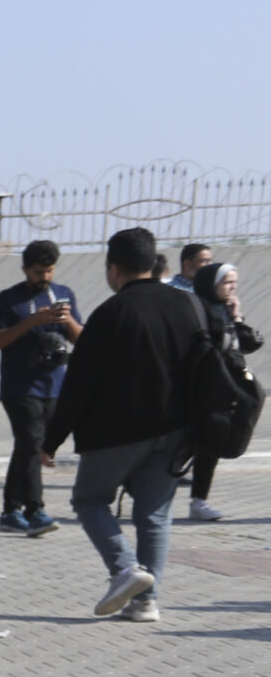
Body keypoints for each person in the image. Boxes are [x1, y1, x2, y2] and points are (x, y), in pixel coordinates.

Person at [45, 227, 207, 625]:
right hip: (177, 431)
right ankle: (146, 602)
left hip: (116, 432)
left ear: (113, 269)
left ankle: (124, 568)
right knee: (154, 515)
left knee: (89, 499)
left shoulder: (111, 313)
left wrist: (50, 440)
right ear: (153, 263)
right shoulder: (190, 306)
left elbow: (79, 385)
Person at [0, 240, 79, 537]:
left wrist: (68, 320)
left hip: (55, 385)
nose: (44, 277)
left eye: (49, 271)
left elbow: (82, 339)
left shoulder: (63, 295)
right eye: (38, 272)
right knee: (32, 443)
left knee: (27, 446)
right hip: (20, 386)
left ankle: (10, 511)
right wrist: (31, 322)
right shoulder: (9, 300)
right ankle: (35, 510)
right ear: (25, 270)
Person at [182, 262, 254, 523]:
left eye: (234, 282)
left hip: (223, 390)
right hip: (199, 389)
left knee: (210, 445)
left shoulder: (225, 310)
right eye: (227, 283)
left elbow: (248, 344)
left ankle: (199, 501)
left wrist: (237, 317)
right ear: (211, 284)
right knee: (184, 444)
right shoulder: (196, 309)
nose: (232, 288)